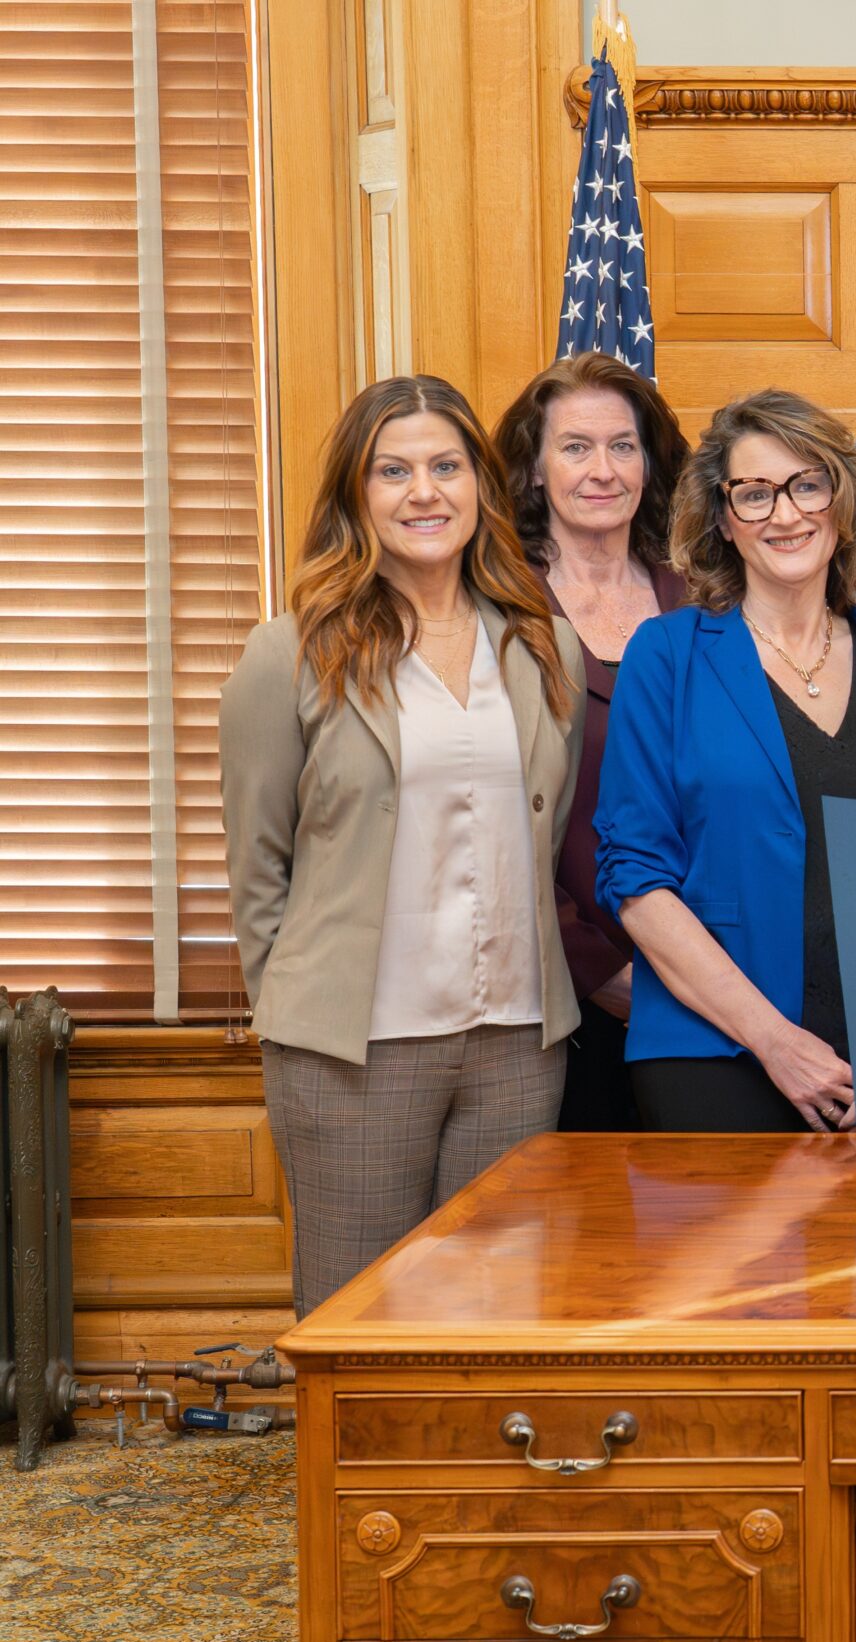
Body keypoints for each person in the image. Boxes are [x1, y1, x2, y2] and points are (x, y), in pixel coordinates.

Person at [220, 375, 585, 1313]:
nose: (424, 492)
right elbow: (260, 867)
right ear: (357, 495)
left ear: (480, 488)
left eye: (445, 466)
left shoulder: (546, 647)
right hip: (354, 1052)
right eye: (393, 471)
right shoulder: (289, 653)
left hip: (516, 1043)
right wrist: (299, 1012)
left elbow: (541, 837)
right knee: (359, 1319)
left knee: (496, 1315)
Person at [593, 390, 856, 1135]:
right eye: (754, 493)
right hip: (713, 1055)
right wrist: (775, 1041)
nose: (785, 513)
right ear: (723, 519)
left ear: (841, 501)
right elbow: (636, 882)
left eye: (807, 484)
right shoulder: (666, 658)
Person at [494, 352, 691, 1131]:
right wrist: (603, 972)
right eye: (575, 446)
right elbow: (489, 823)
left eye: (623, 445)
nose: (602, 469)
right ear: (536, 469)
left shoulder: (706, 601)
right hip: (558, 996)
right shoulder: (497, 611)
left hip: (709, 985)